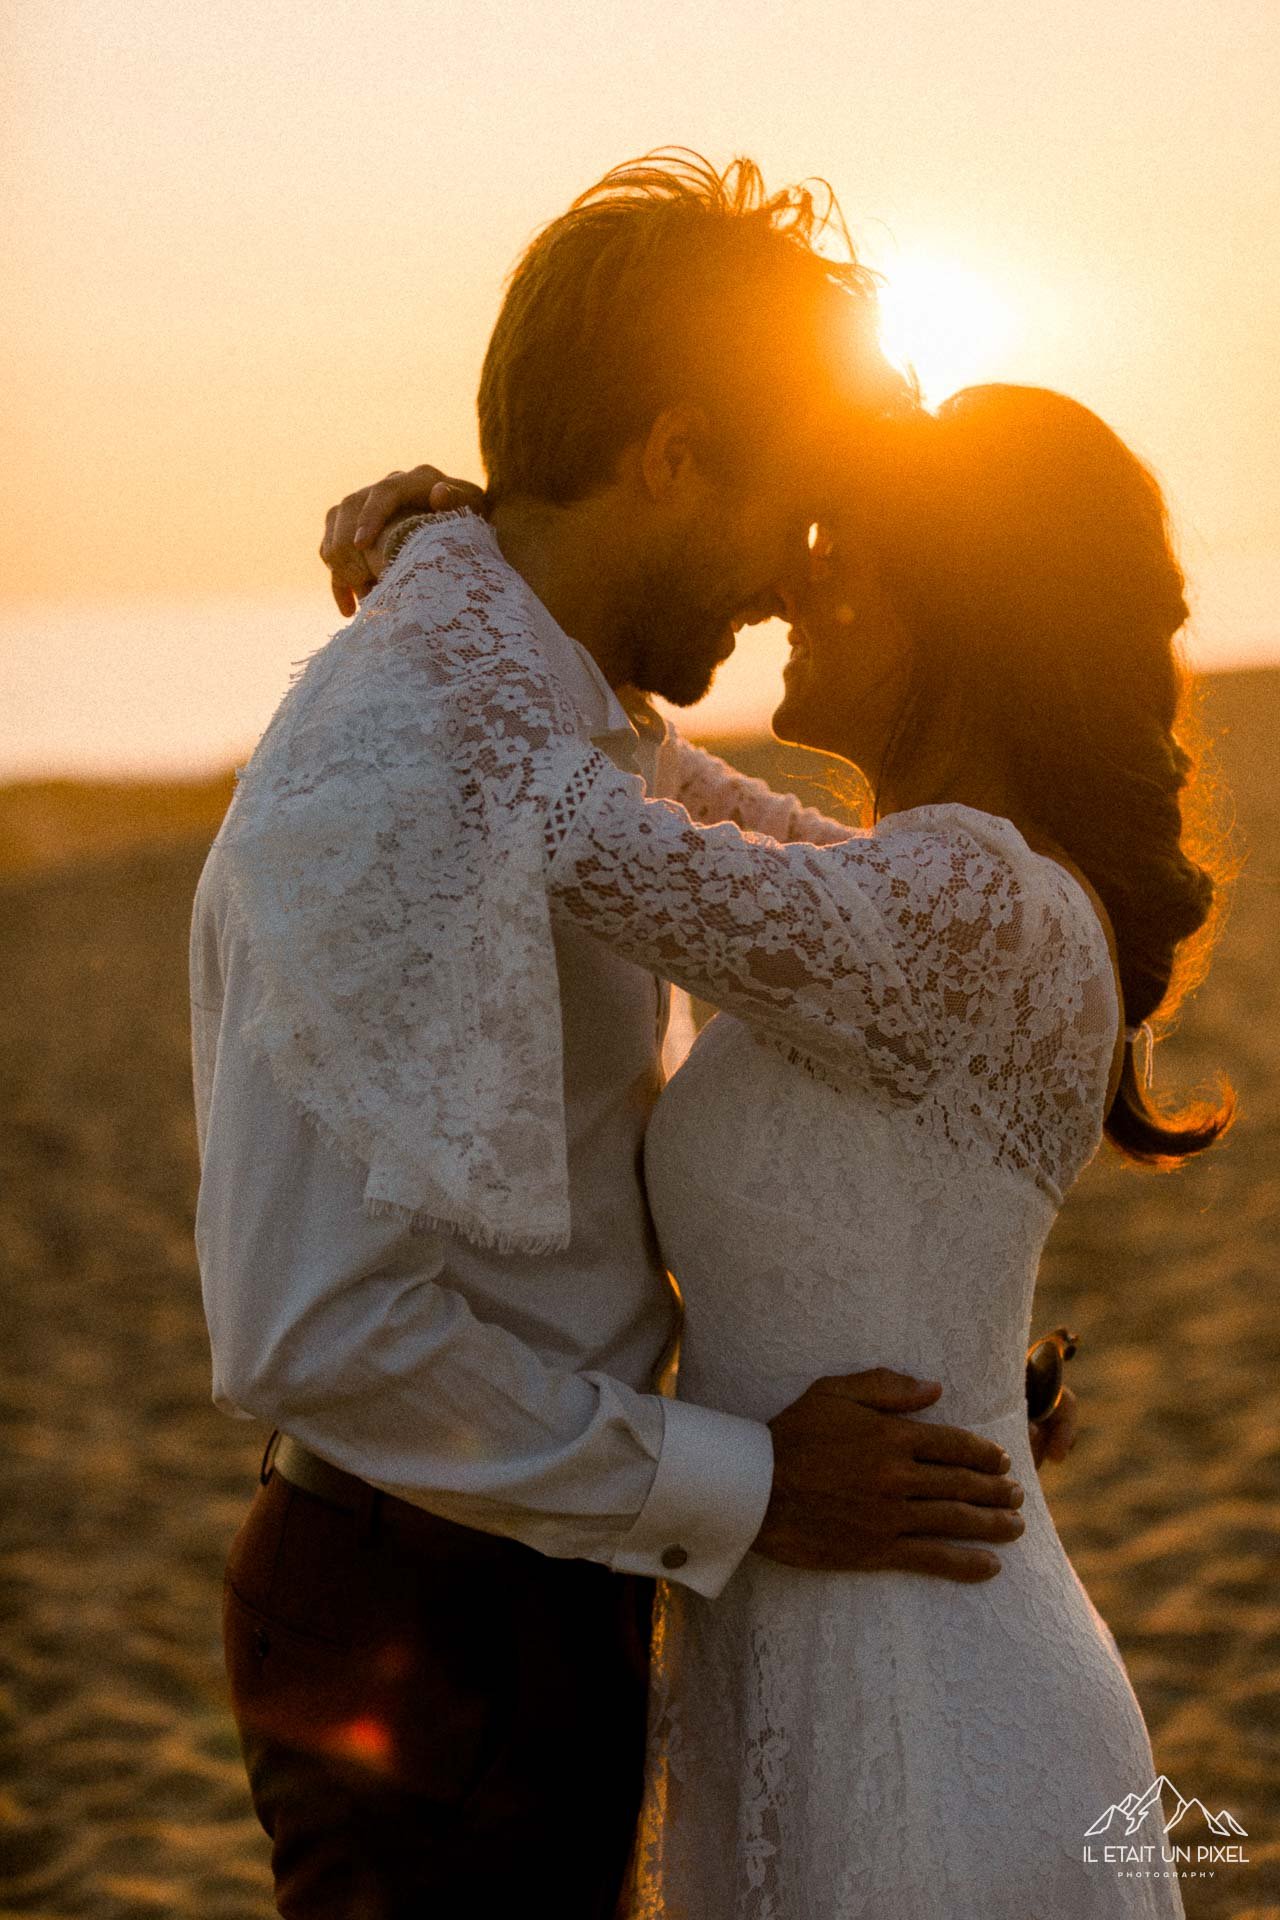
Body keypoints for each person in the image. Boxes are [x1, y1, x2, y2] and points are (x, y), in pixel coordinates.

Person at [191, 154, 1036, 1920]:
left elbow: (796, 917)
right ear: (669, 454)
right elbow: (315, 1326)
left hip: (524, 1576)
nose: (790, 579)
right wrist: (749, 1484)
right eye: (789, 508)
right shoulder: (412, 765)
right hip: (421, 1619)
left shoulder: (558, 710)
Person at [337, 384, 1231, 1917]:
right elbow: (670, 793)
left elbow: (569, 821)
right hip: (827, 1654)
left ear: (957, 601)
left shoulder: (980, 908)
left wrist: (447, 568)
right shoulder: (941, 897)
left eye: (843, 544)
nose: (797, 581)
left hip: (925, 1705)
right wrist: (489, 572)